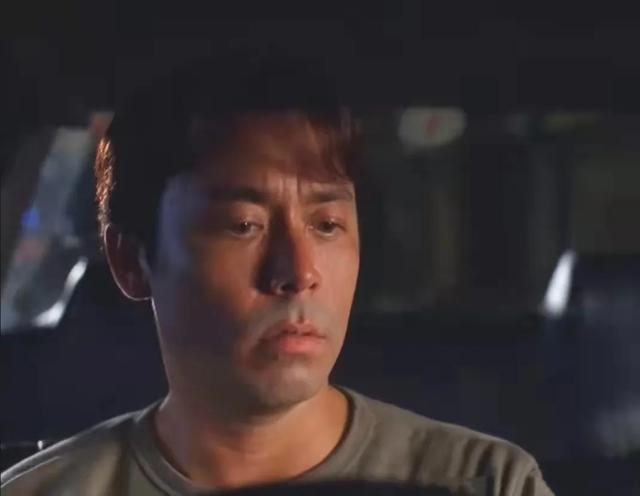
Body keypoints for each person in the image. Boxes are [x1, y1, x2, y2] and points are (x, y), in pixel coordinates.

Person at [1, 55, 554, 495]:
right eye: (243, 225)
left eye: (327, 225)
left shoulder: (483, 482)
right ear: (131, 260)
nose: (298, 272)